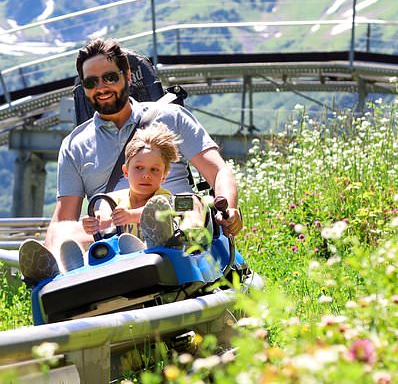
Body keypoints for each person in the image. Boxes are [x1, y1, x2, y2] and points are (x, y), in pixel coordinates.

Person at [18, 37, 243, 281]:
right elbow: (64, 216)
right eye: (91, 82)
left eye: (110, 78)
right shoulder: (74, 145)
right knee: (62, 229)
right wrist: (64, 235)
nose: (102, 88)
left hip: (175, 218)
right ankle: (56, 273)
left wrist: (229, 209)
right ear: (84, 88)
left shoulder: (171, 117)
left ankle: (160, 241)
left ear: (126, 74)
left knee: (190, 206)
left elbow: (219, 172)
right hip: (111, 234)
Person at [79, 121, 179, 247]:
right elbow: (104, 219)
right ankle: (73, 261)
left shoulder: (165, 199)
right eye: (139, 168)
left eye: (154, 170)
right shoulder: (111, 200)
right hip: (120, 258)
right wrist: (93, 224)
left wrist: (131, 216)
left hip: (155, 258)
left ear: (164, 175)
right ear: (126, 172)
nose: (146, 175)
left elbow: (156, 211)